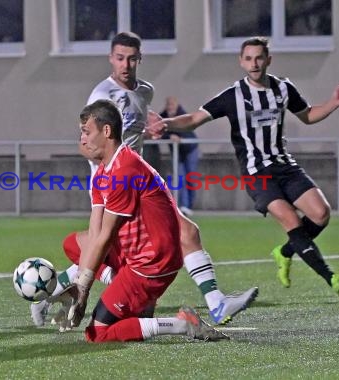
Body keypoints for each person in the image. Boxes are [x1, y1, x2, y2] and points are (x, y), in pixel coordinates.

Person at [31, 32, 258, 329]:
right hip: (117, 185)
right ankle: (53, 293)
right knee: (107, 247)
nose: (126, 65)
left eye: (132, 58)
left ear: (140, 59)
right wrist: (106, 172)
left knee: (182, 232)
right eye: (120, 58)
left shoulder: (144, 91)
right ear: (111, 58)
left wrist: (151, 126)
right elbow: (87, 139)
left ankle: (215, 304)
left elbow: (136, 119)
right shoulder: (101, 95)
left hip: (138, 181)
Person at [151, 37, 339, 296]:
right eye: (248, 58)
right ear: (241, 61)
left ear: (268, 59)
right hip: (257, 173)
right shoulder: (233, 95)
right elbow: (194, 119)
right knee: (291, 220)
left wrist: (333, 104)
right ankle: (331, 277)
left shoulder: (283, 89)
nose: (254, 63)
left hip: (285, 165)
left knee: (321, 214)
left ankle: (285, 251)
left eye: (259, 58)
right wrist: (166, 123)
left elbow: (308, 115)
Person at [65, 99, 228, 342]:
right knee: (72, 243)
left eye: (87, 132)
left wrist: (83, 290)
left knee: (96, 335)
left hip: (151, 265)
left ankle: (182, 324)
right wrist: (79, 285)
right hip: (137, 254)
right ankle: (129, 294)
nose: (83, 140)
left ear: (106, 131)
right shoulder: (102, 172)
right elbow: (95, 230)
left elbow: (105, 236)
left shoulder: (124, 170)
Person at [160, 96, 200, 217]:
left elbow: (188, 129)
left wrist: (180, 137)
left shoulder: (183, 115)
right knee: (180, 178)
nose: (170, 108)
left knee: (191, 178)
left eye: (172, 105)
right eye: (168, 105)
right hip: (176, 152)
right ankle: (184, 206)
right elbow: (159, 132)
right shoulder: (162, 116)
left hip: (190, 150)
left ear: (177, 105)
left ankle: (190, 205)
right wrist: (169, 137)